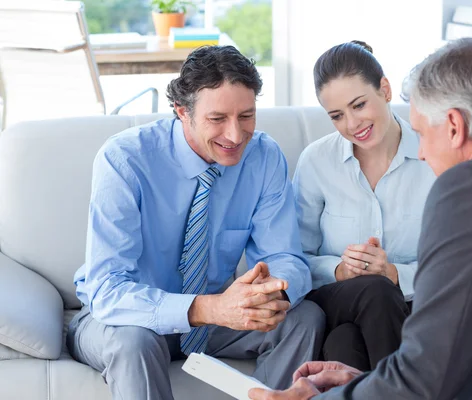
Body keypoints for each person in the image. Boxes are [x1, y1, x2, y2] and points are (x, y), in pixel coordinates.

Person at [249, 38, 472, 400]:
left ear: (454, 126)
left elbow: (425, 375)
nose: (419, 152)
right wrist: (360, 382)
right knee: (343, 339)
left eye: (421, 133)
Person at [66, 45, 325, 400]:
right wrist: (209, 307)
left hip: (219, 321)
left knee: (303, 319)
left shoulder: (264, 157)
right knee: (134, 341)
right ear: (181, 112)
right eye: (217, 119)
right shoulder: (124, 159)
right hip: (126, 319)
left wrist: (270, 294)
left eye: (246, 116)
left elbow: (287, 258)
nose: (235, 136)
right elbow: (107, 289)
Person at [292, 40, 436, 372]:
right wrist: (339, 270)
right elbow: (294, 254)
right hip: (336, 299)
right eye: (337, 116)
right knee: (375, 290)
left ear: (384, 89)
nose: (352, 124)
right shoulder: (317, 161)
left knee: (344, 342)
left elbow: (455, 263)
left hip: (415, 304)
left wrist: (395, 274)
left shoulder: (433, 157)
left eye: (359, 105)